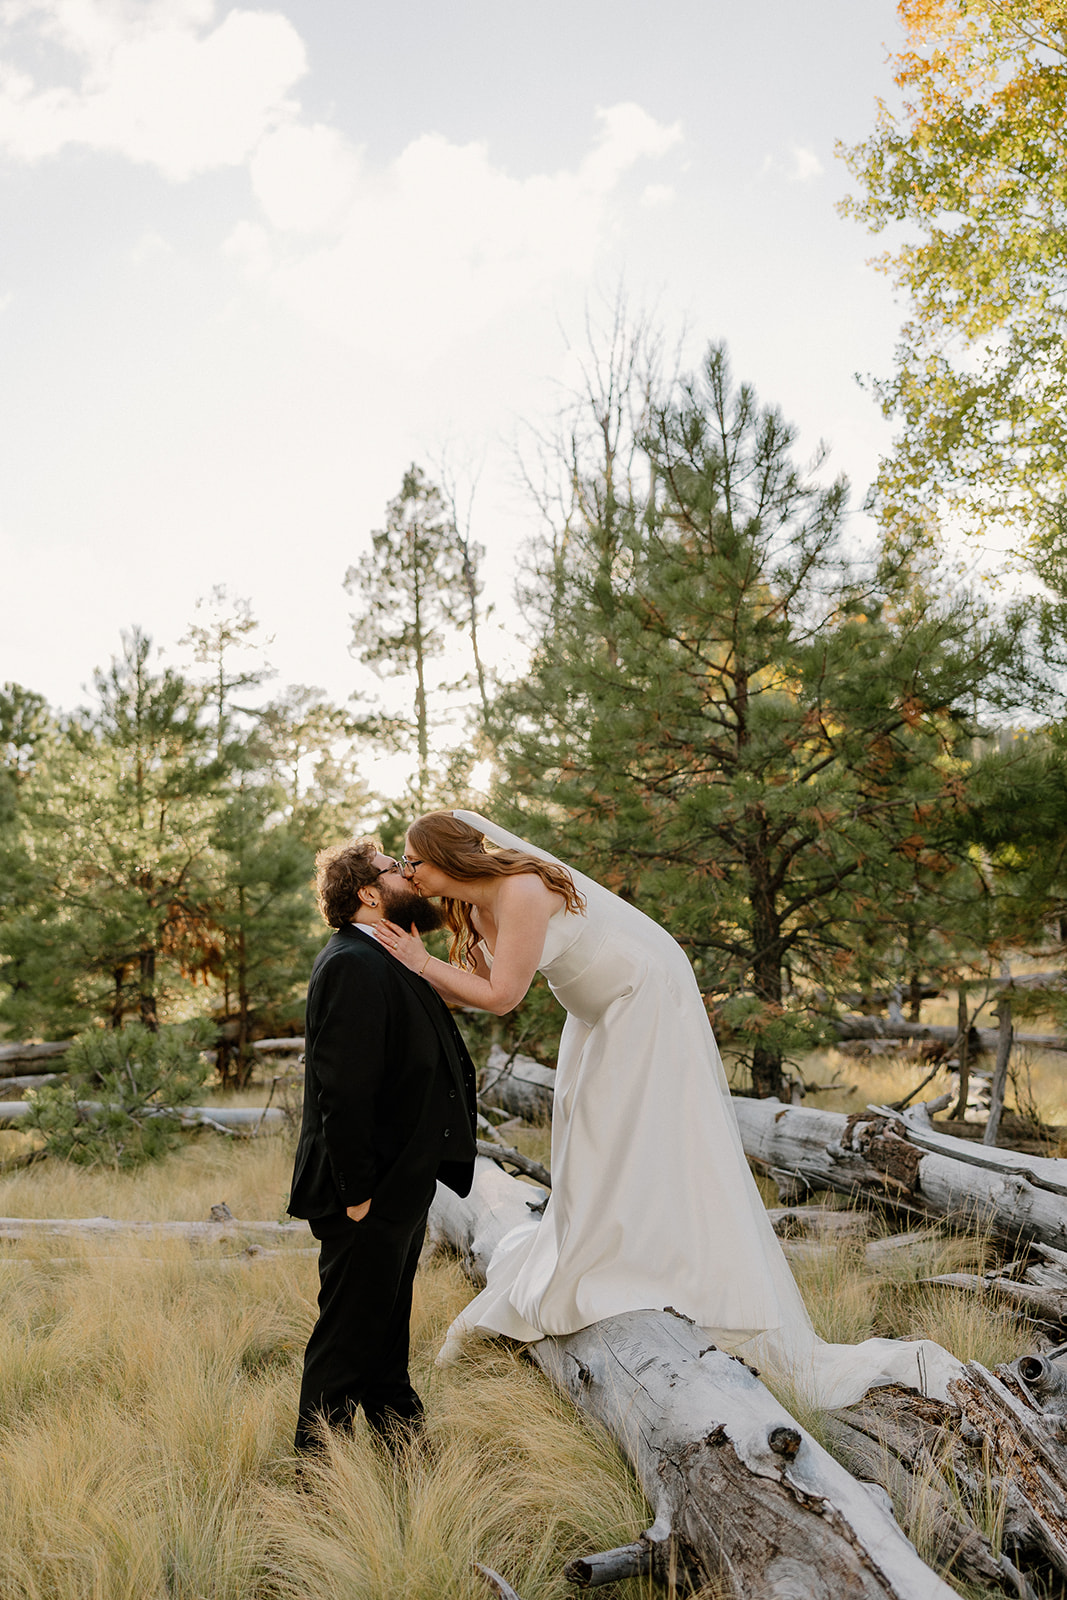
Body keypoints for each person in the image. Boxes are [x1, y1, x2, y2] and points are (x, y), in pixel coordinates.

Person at [373, 810, 962, 1410]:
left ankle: (664, 1277)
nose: (406, 871)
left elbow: (502, 997)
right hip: (595, 1012)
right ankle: (602, 1253)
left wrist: (420, 965)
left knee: (633, 1138)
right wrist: (409, 966)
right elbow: (472, 985)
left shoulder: (519, 889)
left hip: (640, 999)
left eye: (413, 861)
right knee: (590, 1140)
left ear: (447, 857)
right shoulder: (473, 910)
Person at [289, 839, 478, 1453]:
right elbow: (341, 1094)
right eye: (394, 870)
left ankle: (403, 1456)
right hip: (363, 1195)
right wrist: (359, 1196)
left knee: (383, 1334)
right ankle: (319, 1484)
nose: (408, 876)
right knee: (345, 1342)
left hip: (398, 1187)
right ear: (369, 893)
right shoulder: (350, 962)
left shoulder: (391, 954)